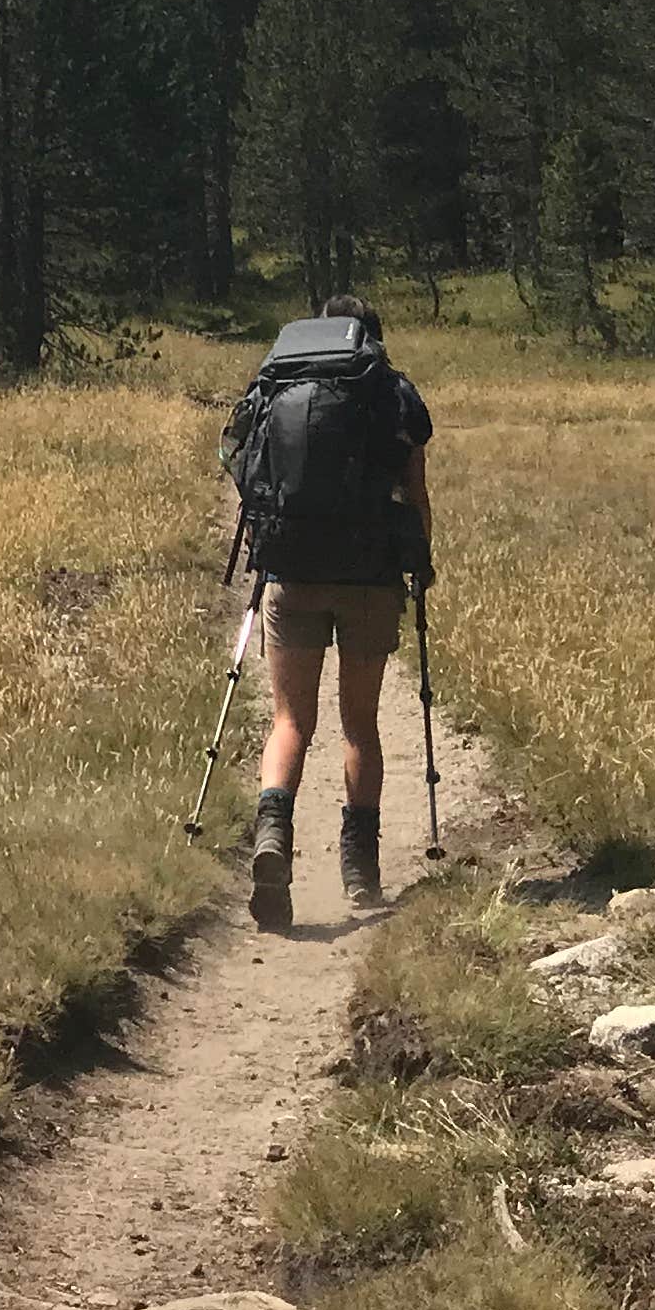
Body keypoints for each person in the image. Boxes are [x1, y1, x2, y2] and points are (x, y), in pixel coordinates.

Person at [228, 295, 434, 927]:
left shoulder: (276, 385)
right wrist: (421, 562)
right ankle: (359, 871)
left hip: (291, 571)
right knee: (359, 725)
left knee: (290, 719)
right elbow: (416, 491)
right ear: (373, 339)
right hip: (369, 575)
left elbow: (240, 465)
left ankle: (272, 835)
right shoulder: (392, 394)